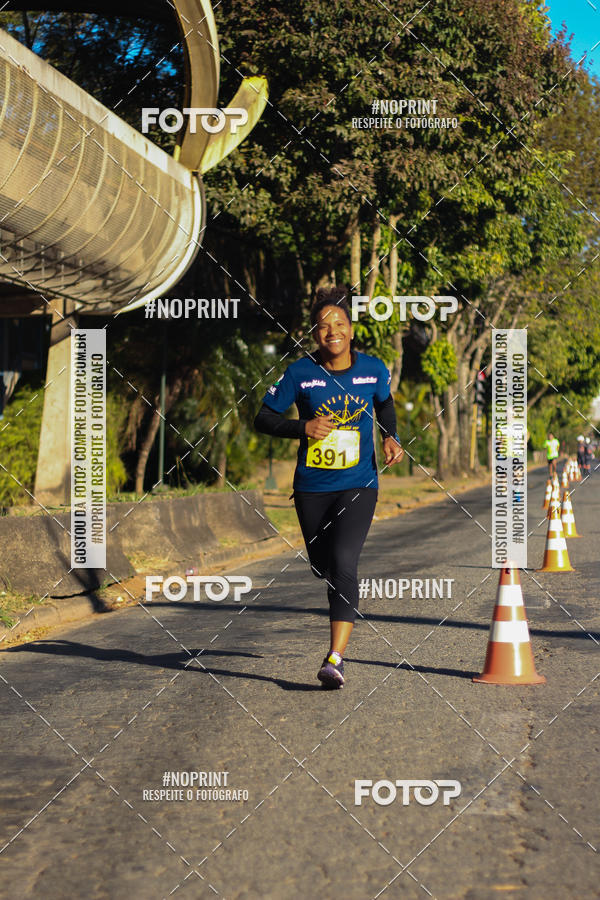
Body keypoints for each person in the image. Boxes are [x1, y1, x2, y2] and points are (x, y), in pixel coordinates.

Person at [254, 286, 403, 689]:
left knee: (343, 562)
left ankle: (335, 658)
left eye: (339, 323)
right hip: (311, 488)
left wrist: (391, 437)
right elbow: (263, 418)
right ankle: (327, 571)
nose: (332, 331)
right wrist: (303, 427)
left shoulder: (373, 368)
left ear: (351, 330)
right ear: (315, 334)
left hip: (359, 483)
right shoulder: (300, 373)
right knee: (322, 564)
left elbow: (385, 403)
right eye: (323, 326)